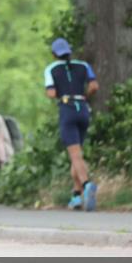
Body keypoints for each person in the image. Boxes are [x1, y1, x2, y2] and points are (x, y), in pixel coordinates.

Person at [44, 38, 99, 211]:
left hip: (67, 110)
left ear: (54, 54)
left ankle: (87, 184)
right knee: (77, 155)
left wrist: (62, 91)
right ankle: (76, 196)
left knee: (75, 155)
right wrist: (84, 94)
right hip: (82, 109)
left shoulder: (51, 69)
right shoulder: (83, 65)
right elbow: (94, 86)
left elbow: (51, 93)